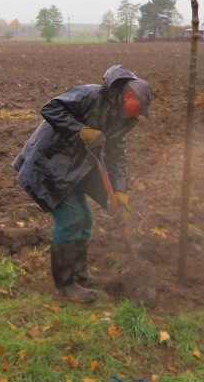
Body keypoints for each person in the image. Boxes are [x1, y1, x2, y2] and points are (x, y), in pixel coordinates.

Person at [13, 65, 153, 303]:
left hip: (77, 168)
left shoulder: (123, 120)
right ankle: (65, 285)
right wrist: (81, 131)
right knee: (71, 218)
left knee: (86, 219)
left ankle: (79, 273)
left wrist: (120, 193)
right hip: (48, 163)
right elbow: (50, 108)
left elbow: (117, 155)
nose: (139, 114)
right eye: (139, 108)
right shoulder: (91, 95)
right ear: (129, 96)